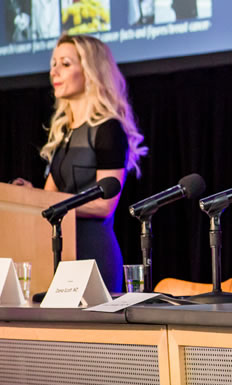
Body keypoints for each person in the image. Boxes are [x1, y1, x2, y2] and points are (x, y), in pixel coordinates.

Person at [13, 34, 147, 292]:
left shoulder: (108, 129)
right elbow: (48, 199)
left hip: (93, 252)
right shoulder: (63, 133)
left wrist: (49, 203)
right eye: (53, 64)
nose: (54, 71)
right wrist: (26, 196)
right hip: (58, 254)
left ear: (90, 71)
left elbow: (105, 206)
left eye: (65, 63)